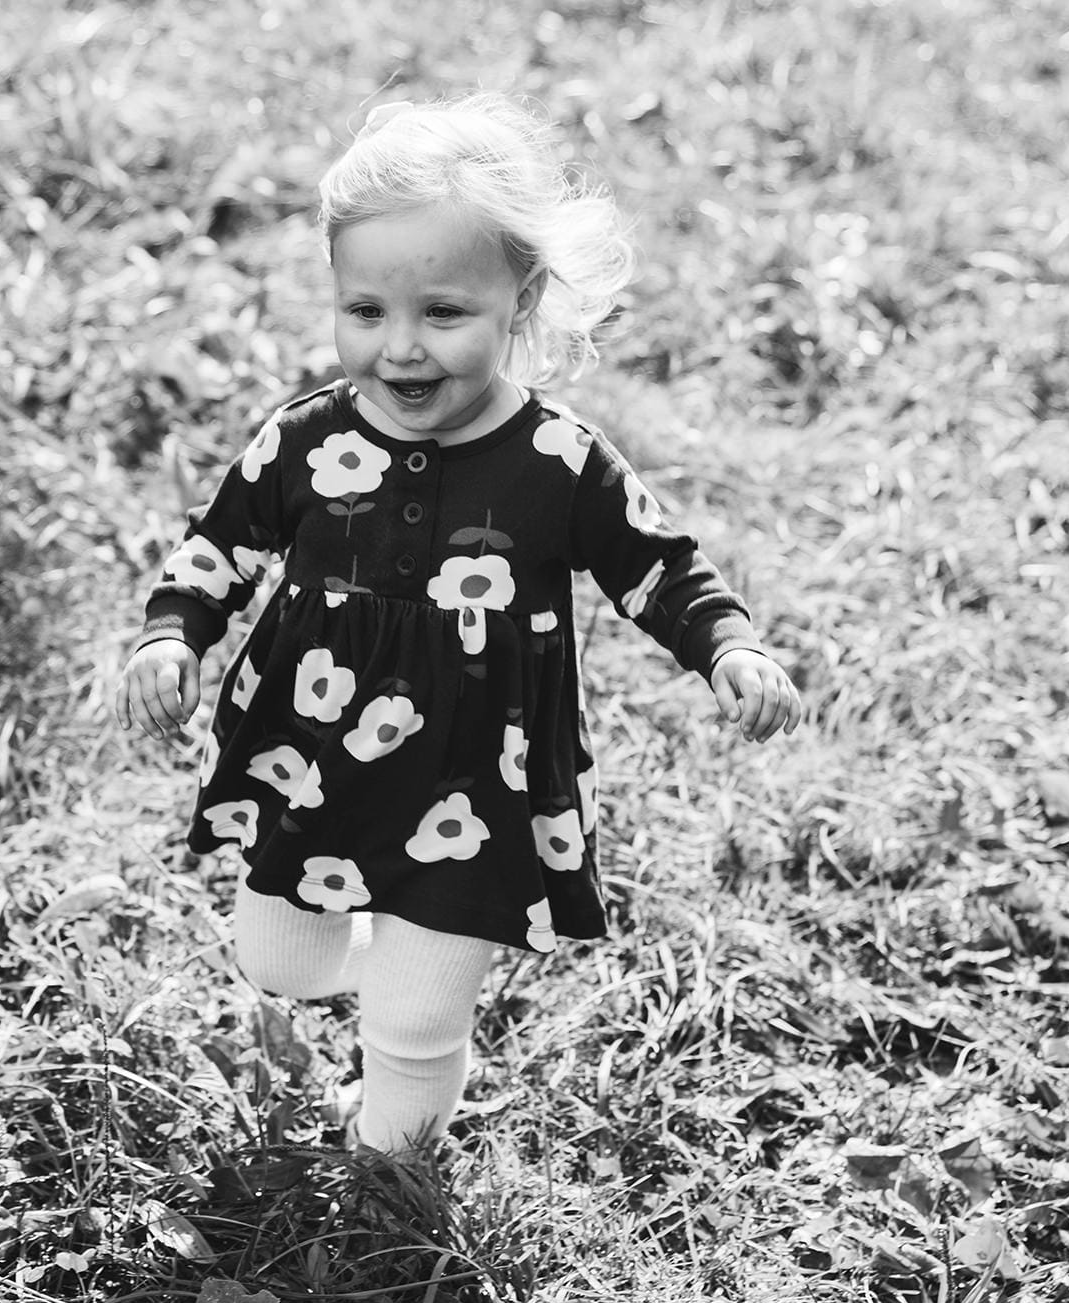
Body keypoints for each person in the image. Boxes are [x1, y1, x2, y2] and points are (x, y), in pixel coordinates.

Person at [117, 94, 799, 1153]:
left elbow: (655, 565)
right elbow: (221, 546)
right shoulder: (303, 440)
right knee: (280, 963)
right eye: (365, 312)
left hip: (472, 781)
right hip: (314, 764)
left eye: (442, 314)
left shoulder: (556, 461)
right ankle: (376, 970)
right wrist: (173, 632)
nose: (400, 349)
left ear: (517, 299)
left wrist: (728, 644)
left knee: (418, 1014)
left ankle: (396, 1158)